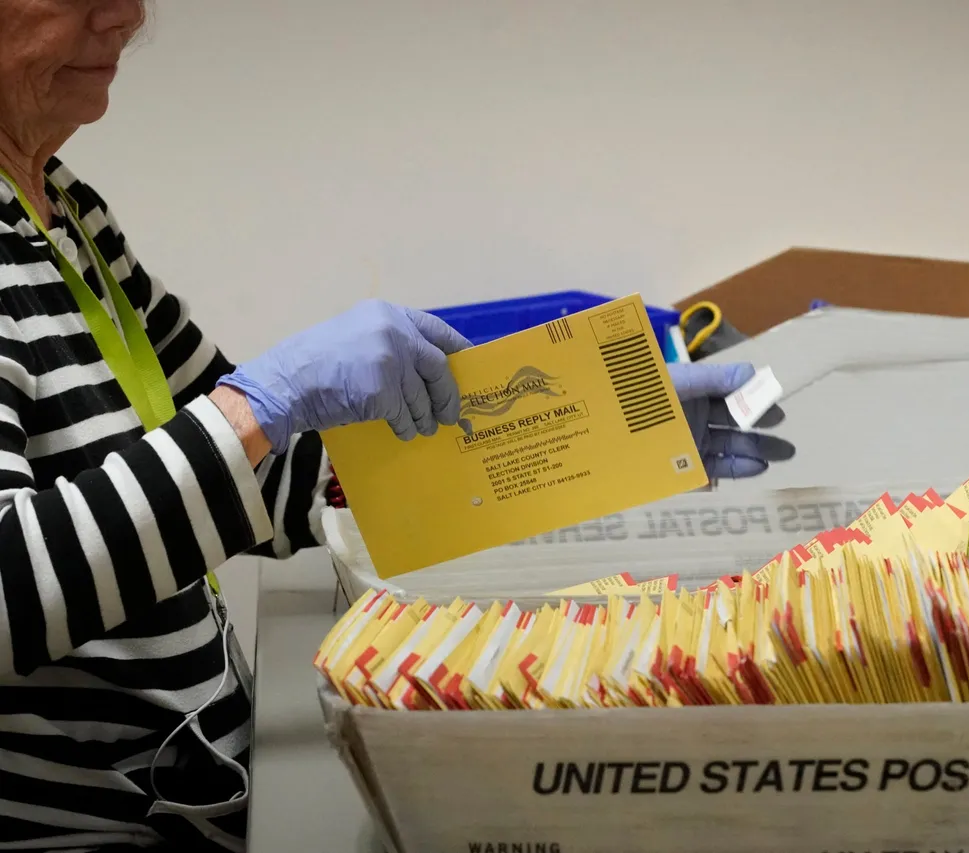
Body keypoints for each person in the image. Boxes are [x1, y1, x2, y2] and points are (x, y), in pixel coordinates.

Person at [0, 3, 791, 851]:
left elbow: (262, 480)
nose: (128, 16)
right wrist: (262, 402)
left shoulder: (67, 209)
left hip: (190, 790)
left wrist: (606, 432)